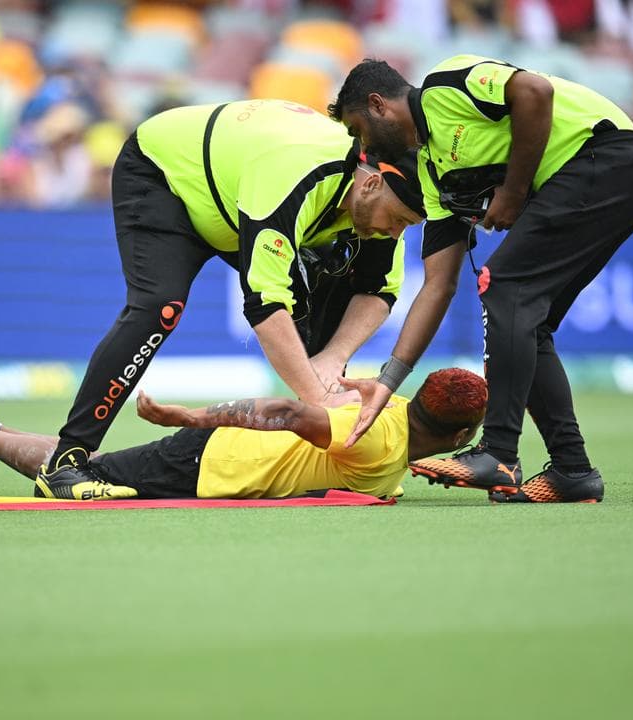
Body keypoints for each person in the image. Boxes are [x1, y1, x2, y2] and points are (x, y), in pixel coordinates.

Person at [34, 99, 427, 500]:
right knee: (160, 306)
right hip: (166, 177)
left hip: (236, 198)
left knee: (329, 289)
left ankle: (312, 450)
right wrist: (318, 396)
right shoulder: (298, 177)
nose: (395, 233)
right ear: (372, 184)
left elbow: (378, 291)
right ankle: (66, 462)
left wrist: (331, 359)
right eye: (396, 220)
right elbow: (264, 303)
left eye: (406, 226)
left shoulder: (379, 201)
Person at [327, 56, 633, 503]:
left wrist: (514, 192)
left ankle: (499, 453)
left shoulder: (444, 87)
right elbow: (437, 284)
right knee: (527, 321)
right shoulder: (432, 174)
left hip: (608, 157)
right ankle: (572, 470)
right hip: (606, 177)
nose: (362, 148)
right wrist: (388, 383)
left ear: (378, 105)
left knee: (504, 287)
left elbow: (534, 92)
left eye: (358, 130)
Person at [0, 368, 485, 501]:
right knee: (82, 478)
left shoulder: (395, 417)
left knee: (97, 466)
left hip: (223, 461)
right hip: (216, 461)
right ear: (462, 435)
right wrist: (192, 417)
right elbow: (285, 410)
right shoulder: (378, 437)